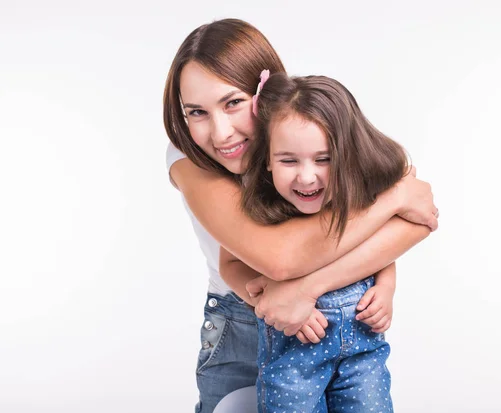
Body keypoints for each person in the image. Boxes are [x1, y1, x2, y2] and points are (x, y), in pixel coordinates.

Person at [164, 18, 438, 412]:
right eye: (196, 112)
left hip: (349, 332)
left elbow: (412, 228)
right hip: (246, 321)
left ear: (263, 95)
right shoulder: (189, 159)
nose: (221, 133)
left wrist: (368, 282)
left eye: (233, 103)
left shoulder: (306, 141)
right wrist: (393, 200)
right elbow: (279, 259)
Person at [220, 72, 415, 412]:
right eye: (288, 160)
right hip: (294, 360)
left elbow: (383, 249)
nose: (307, 177)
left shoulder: (359, 202)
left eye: (323, 159)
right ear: (267, 158)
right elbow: (231, 265)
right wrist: (271, 302)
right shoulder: (260, 209)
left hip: (363, 354)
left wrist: (386, 288)